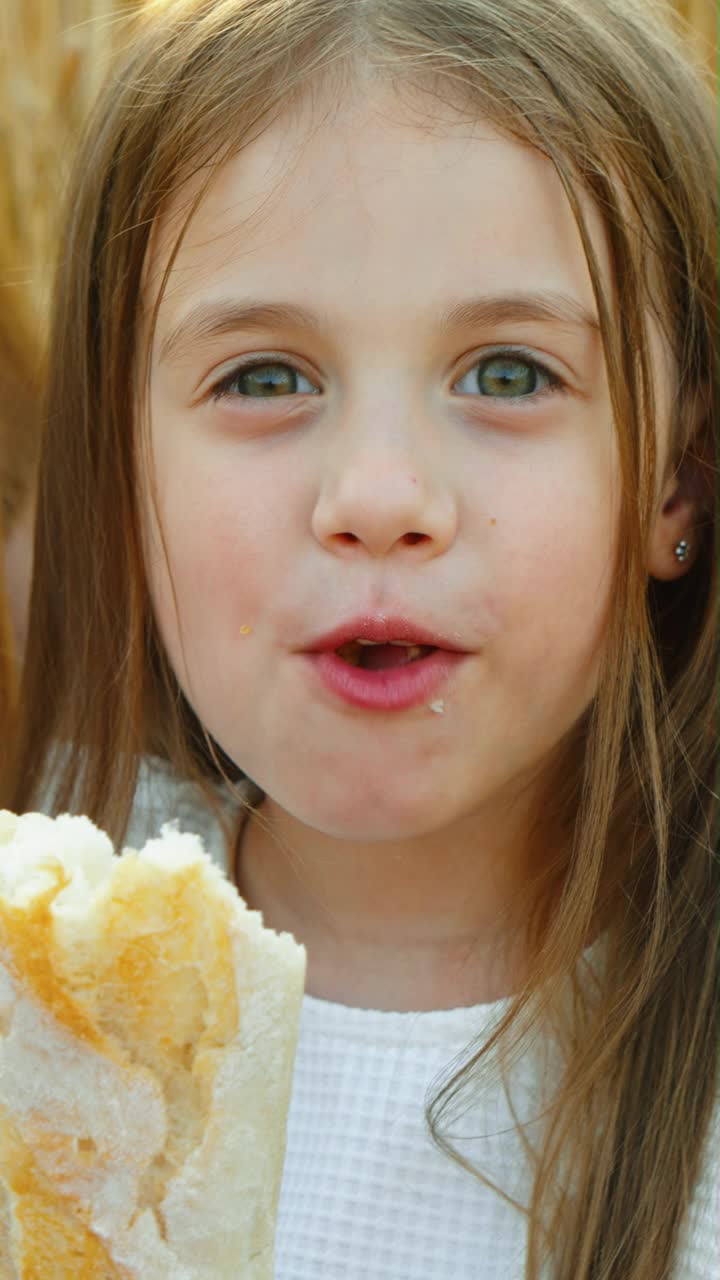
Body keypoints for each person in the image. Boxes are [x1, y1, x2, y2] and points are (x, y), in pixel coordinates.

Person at [4, 0, 717, 1276]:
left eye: (508, 373)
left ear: (680, 479)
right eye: (266, 378)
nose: (379, 497)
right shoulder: (34, 965)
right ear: (120, 475)